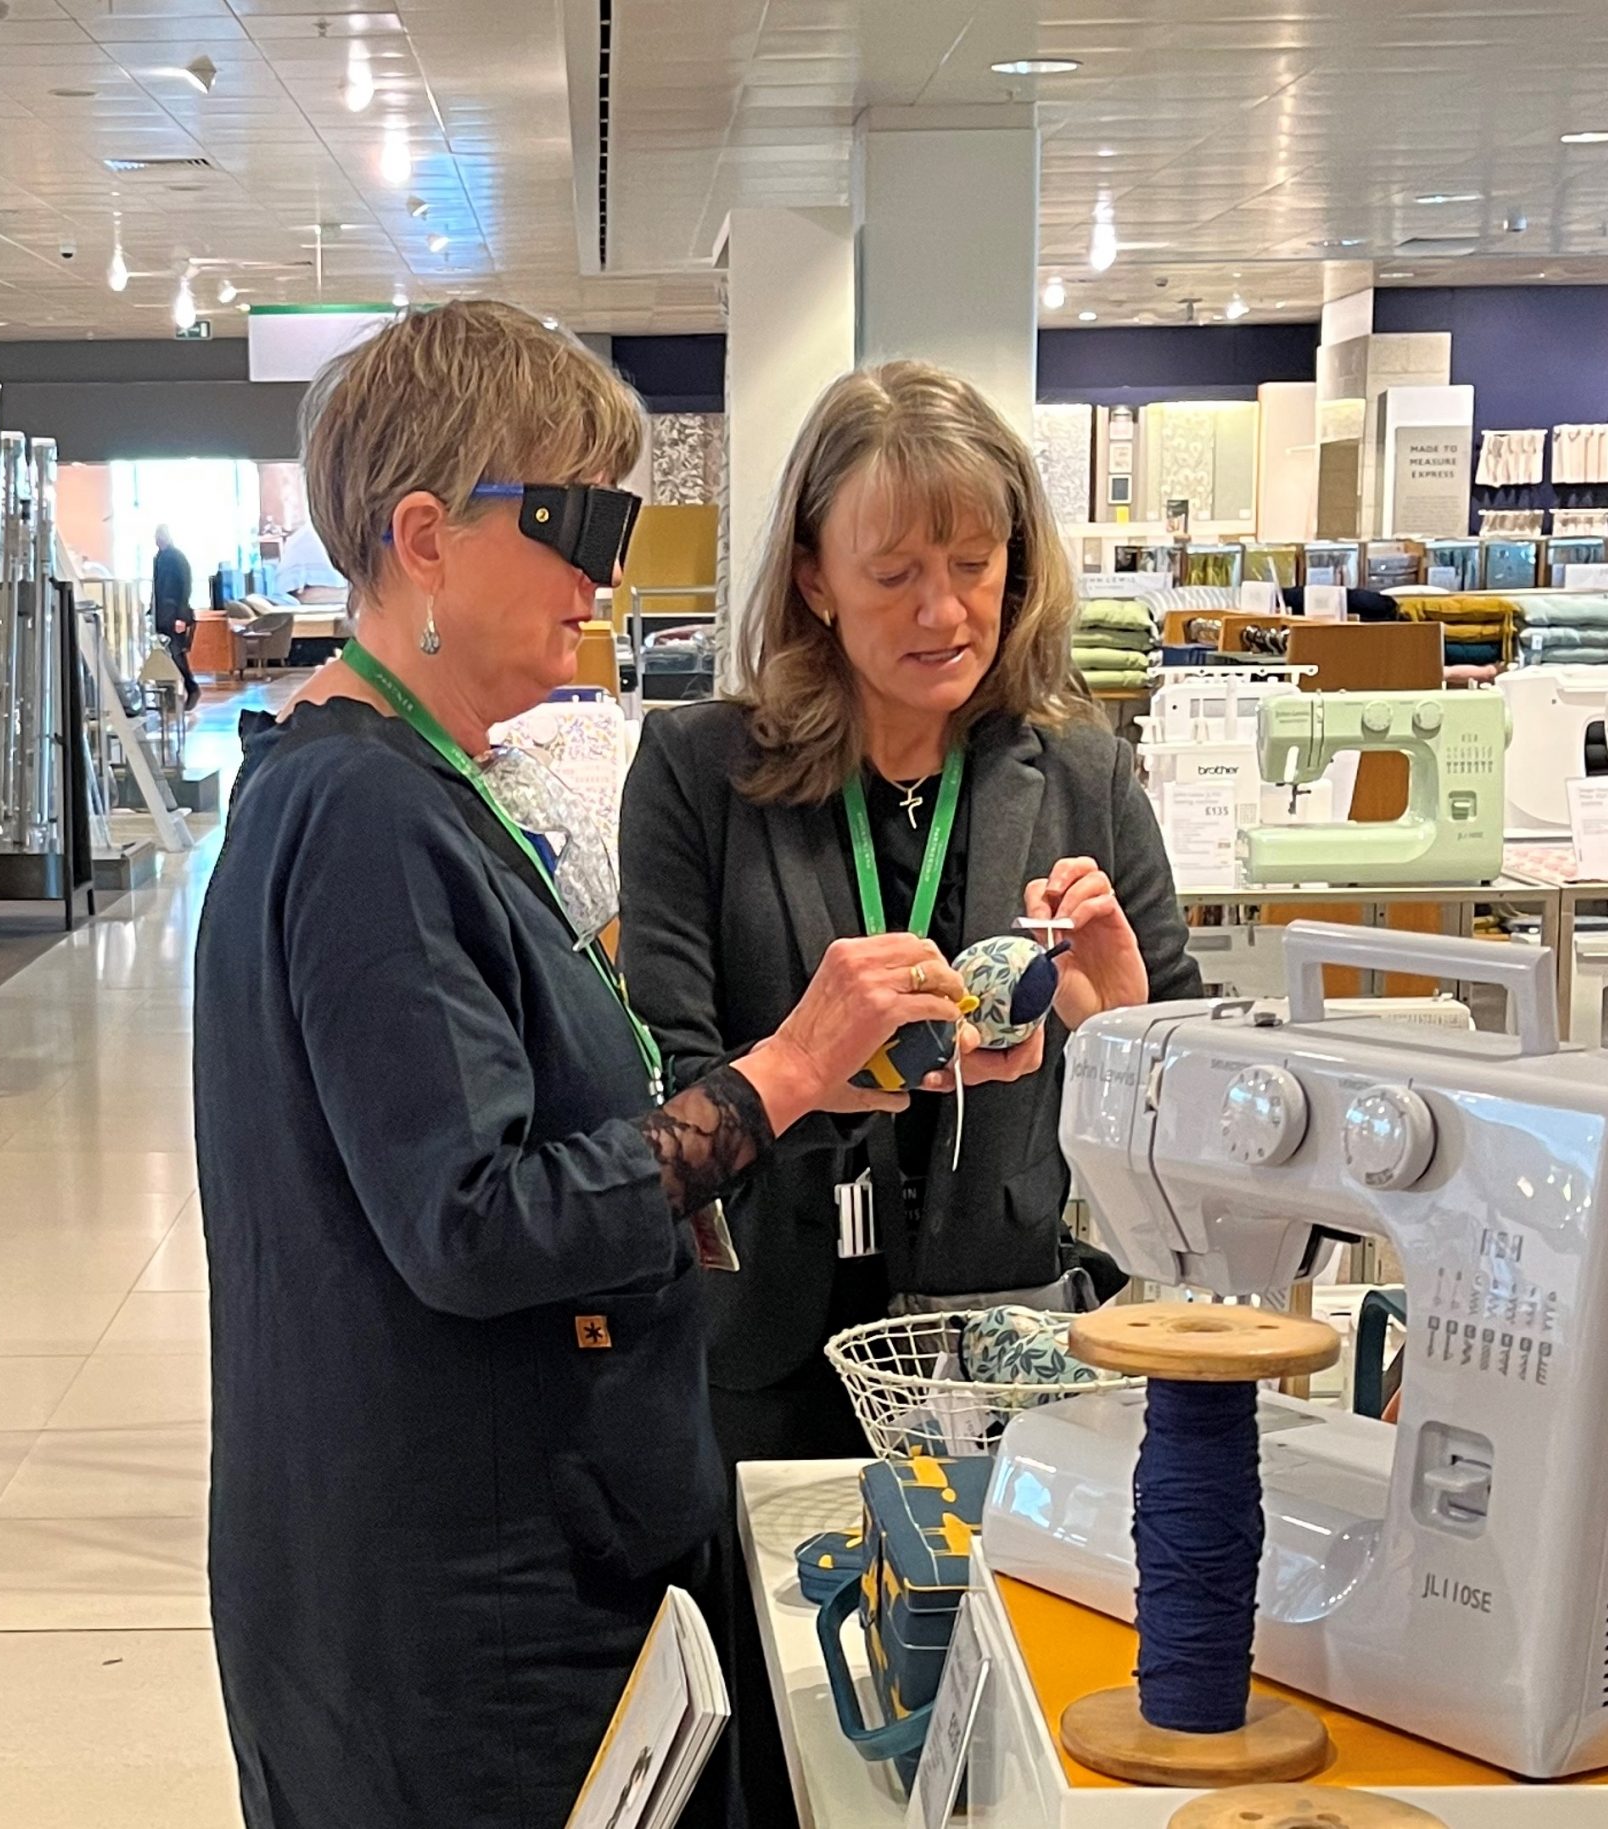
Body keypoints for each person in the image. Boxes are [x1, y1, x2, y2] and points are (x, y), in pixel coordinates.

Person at [194, 303, 977, 1829]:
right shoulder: (365, 817)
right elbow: (476, 1222)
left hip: (445, 1555)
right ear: (423, 535)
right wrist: (778, 1076)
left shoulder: (402, 784)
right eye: (574, 522)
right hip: (466, 1614)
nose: (603, 575)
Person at [618, 360, 1201, 1829]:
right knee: (787, 1736)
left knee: (983, 1737)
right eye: (895, 572)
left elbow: (1203, 1106)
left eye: (974, 566)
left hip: (1001, 1345)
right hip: (763, 1349)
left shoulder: (1081, 773)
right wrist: (850, 1068)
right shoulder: (699, 770)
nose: (944, 612)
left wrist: (1126, 1025)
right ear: (812, 574)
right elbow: (670, 1079)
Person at [152, 521, 198, 704]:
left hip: (173, 614)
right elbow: (157, 588)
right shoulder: (159, 558)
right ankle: (169, 696)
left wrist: (181, 616)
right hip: (161, 614)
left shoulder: (177, 558)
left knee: (176, 653)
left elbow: (185, 587)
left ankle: (191, 688)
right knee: (164, 655)